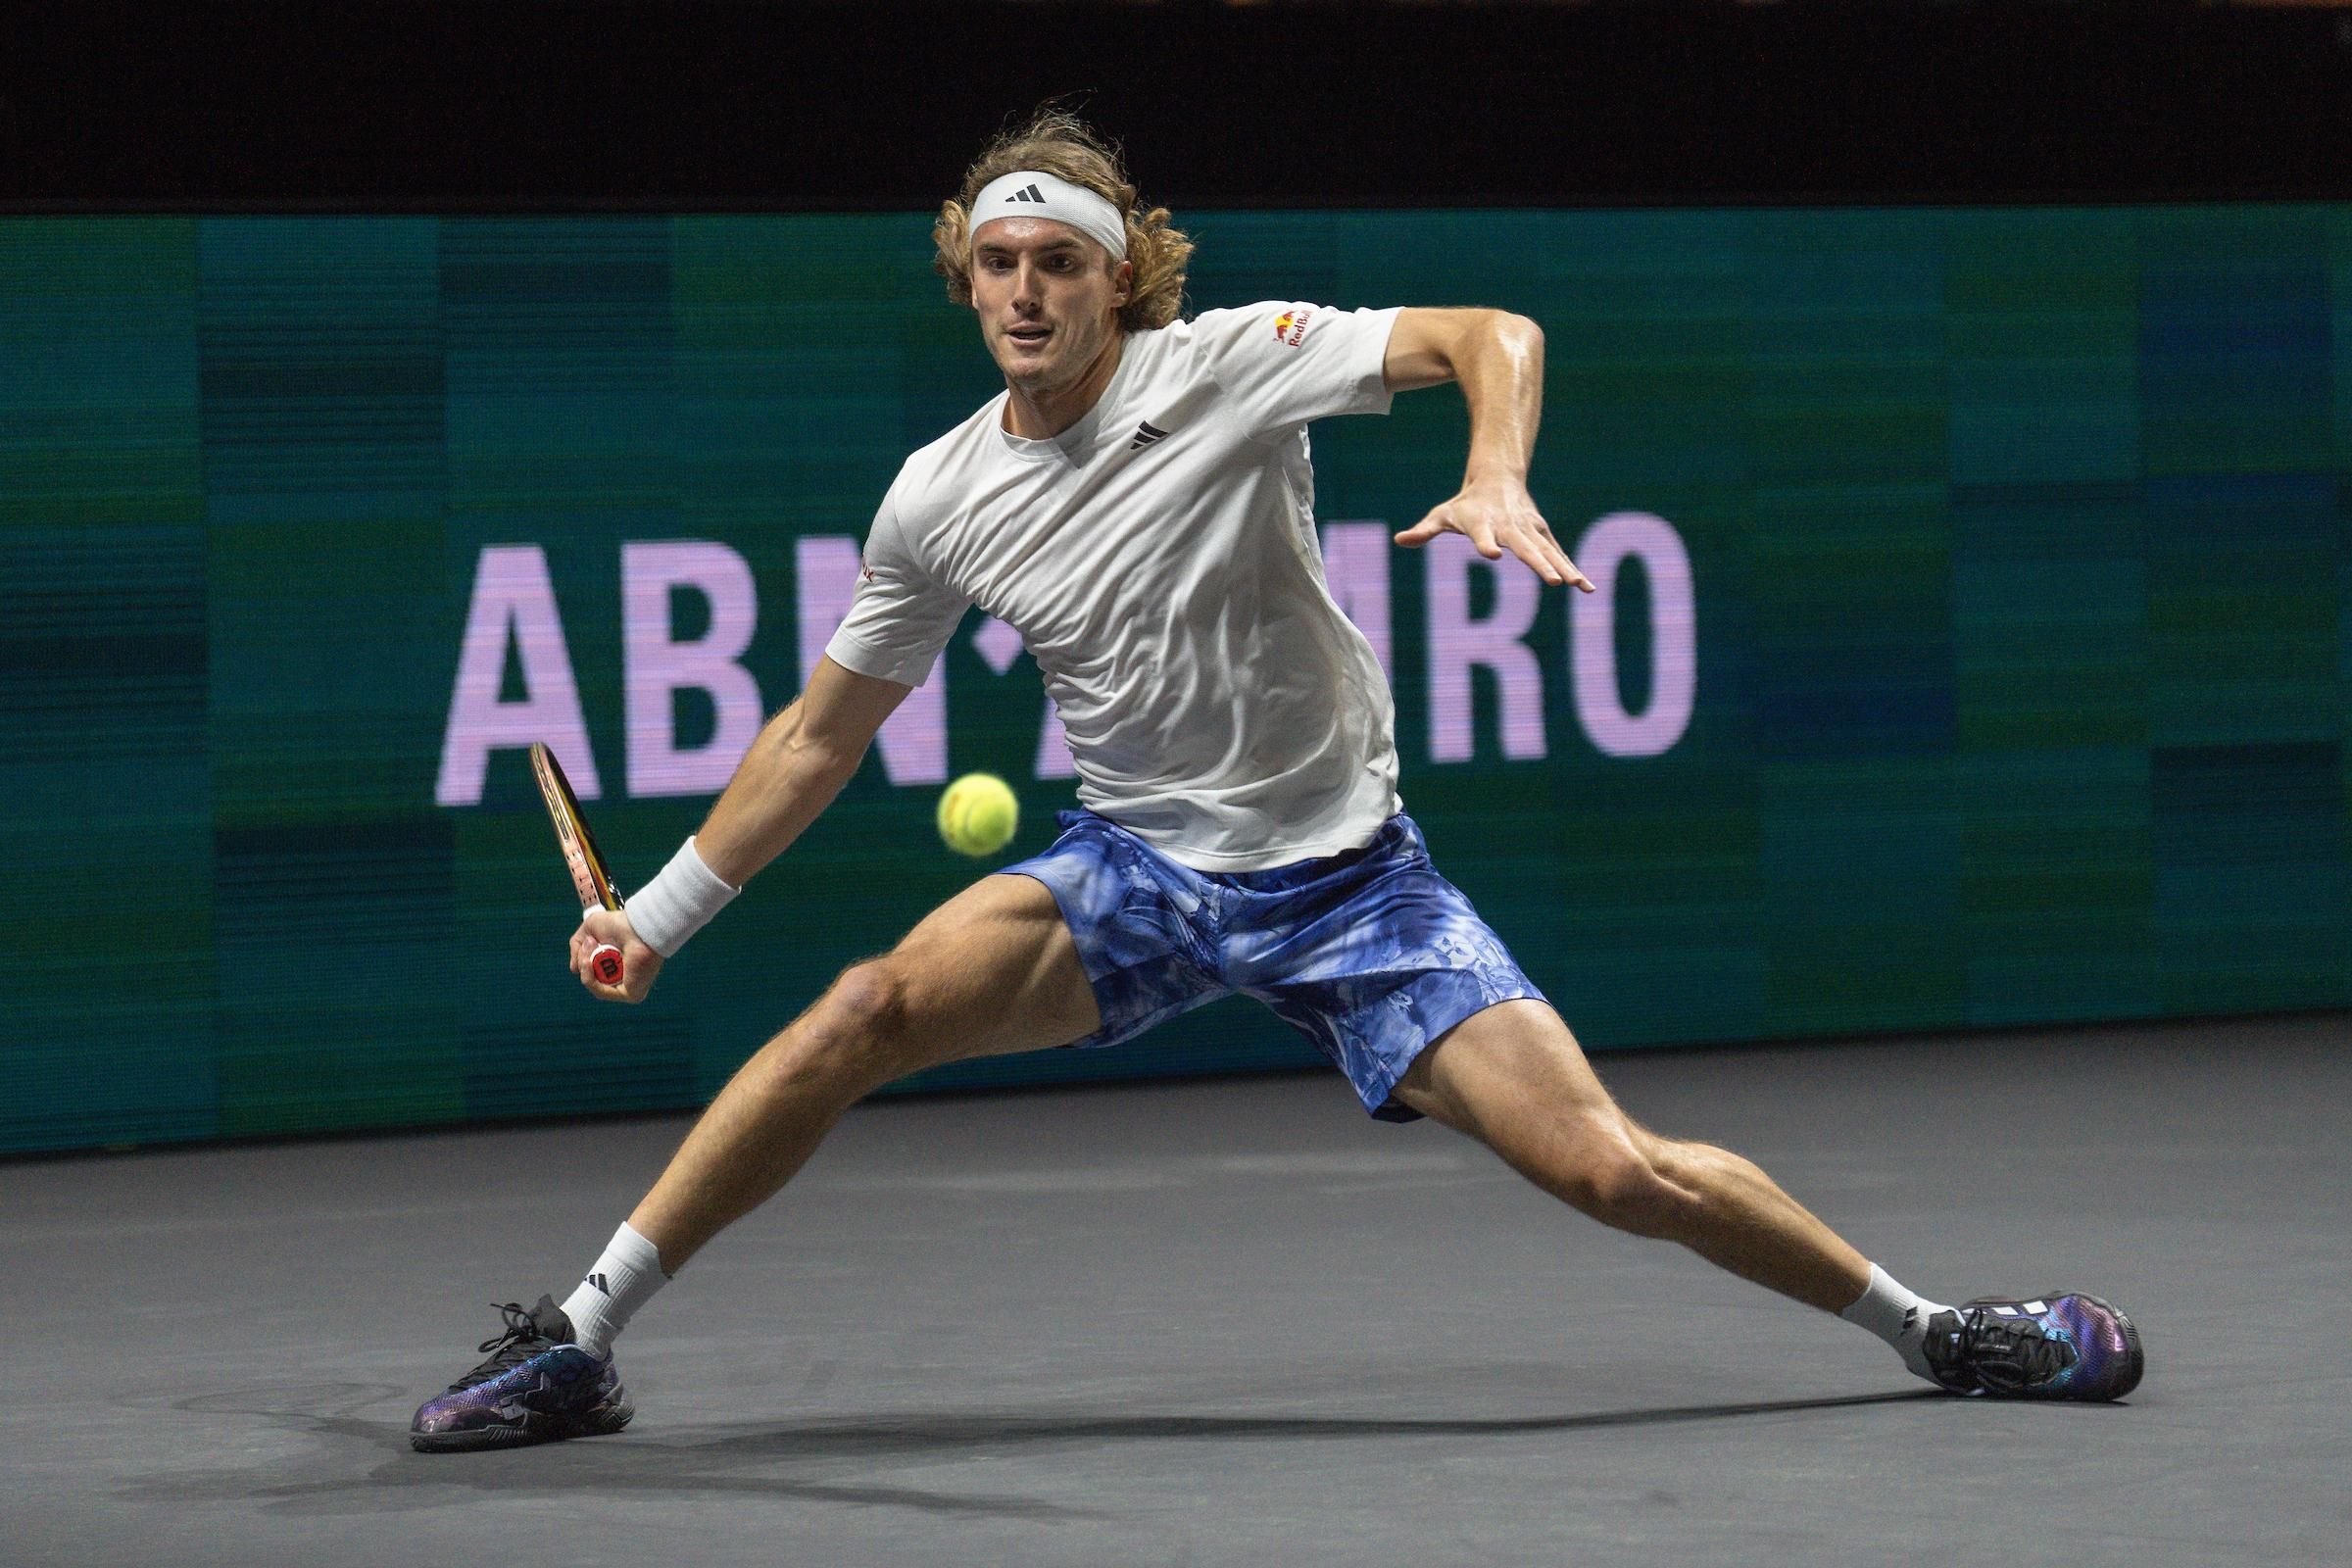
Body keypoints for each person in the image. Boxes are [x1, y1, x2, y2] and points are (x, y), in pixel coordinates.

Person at [411, 110, 2141, 1452]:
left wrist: (1493, 468)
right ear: (968, 280)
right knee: (863, 1006)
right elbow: (814, 736)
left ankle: (1939, 1333)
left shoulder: (1233, 367)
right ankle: (579, 1339)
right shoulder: (935, 496)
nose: (1024, 291)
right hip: (1137, 873)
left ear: (1120, 279)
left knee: (1617, 1173)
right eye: (996, 263)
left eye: (1059, 264)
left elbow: (1491, 328)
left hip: (1354, 885)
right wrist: (657, 915)